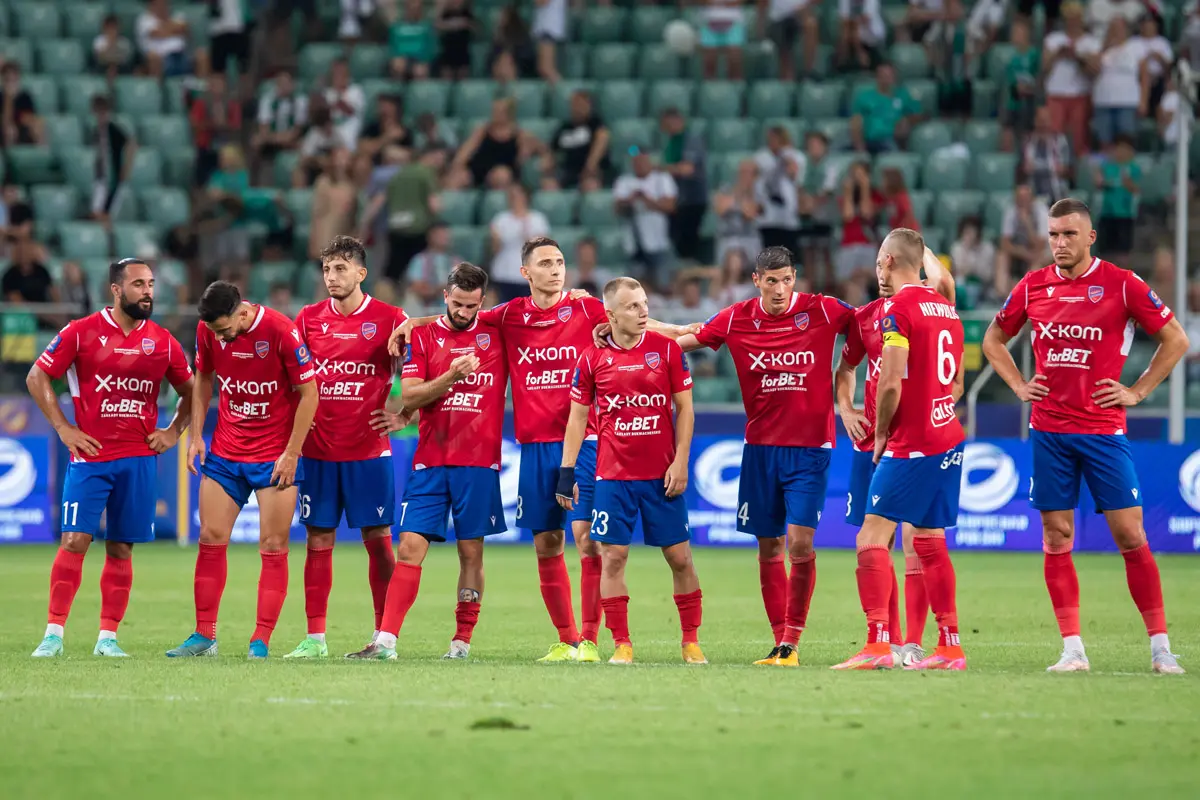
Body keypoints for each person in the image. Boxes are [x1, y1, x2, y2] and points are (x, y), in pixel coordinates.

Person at [387, 237, 693, 662]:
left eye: (560, 261)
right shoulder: (509, 316)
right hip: (534, 448)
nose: (556, 269)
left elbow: (638, 325)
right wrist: (412, 324)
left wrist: (683, 332)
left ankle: (589, 640)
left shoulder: (587, 309)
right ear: (526, 272)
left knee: (587, 540)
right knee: (547, 544)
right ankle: (567, 640)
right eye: (546, 263)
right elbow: (459, 316)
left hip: (585, 443)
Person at [982, 197, 1189, 675]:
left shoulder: (1121, 284)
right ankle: (1072, 650)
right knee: (1056, 536)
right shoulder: (1033, 286)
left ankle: (1160, 648)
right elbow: (994, 339)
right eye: (1053, 234)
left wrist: (1137, 392)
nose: (1059, 243)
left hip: (1102, 430)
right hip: (1049, 432)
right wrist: (1017, 384)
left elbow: (1176, 338)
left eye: (1068, 234)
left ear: (1090, 237)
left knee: (1130, 533)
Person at [669, 246, 855, 666]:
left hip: (810, 448)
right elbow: (684, 342)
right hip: (760, 450)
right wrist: (629, 337)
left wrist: (846, 387)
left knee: (800, 541)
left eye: (787, 279)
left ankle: (792, 639)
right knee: (769, 546)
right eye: (771, 280)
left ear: (796, 278)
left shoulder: (823, 310)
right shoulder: (736, 318)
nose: (780, 288)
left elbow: (868, 328)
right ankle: (779, 644)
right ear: (757, 281)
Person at [28, 259, 194, 658]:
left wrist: (174, 431)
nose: (148, 291)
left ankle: (108, 638)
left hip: (138, 460)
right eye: (138, 284)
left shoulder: (163, 341)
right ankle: (53, 634)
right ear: (116, 290)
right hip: (91, 457)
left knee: (121, 548)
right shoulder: (81, 332)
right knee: (74, 540)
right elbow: (38, 377)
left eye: (151, 284)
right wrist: (64, 428)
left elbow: (194, 390)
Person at [347, 262, 509, 661]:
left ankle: (461, 641)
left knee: (471, 553)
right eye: (457, 304)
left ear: (482, 302)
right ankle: (386, 641)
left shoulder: (498, 332)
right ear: (445, 297)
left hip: (478, 463)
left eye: (472, 306)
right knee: (409, 546)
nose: (464, 313)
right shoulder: (424, 336)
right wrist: (452, 375)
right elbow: (413, 396)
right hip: (431, 461)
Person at [834, 227, 967, 671]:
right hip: (947, 434)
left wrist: (882, 434)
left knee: (871, 535)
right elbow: (953, 377)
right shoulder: (946, 308)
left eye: (879, 261)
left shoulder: (897, 310)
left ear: (888, 261)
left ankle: (877, 646)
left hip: (910, 443)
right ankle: (949, 647)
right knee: (928, 538)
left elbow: (890, 381)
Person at [166, 281, 319, 659]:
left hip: (274, 455)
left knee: (272, 545)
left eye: (225, 328)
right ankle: (205, 636)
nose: (221, 337)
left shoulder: (282, 331)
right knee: (211, 537)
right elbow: (203, 378)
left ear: (242, 312)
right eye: (215, 332)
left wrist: (292, 453)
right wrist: (196, 436)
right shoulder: (207, 331)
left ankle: (260, 640)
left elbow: (309, 393)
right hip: (227, 450)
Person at [557, 277, 704, 665]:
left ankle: (690, 641)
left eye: (643, 304)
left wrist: (681, 460)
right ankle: (621, 643)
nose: (643, 312)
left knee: (680, 558)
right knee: (613, 557)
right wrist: (566, 472)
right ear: (610, 316)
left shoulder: (667, 350)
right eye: (632, 307)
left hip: (661, 476)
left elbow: (685, 409)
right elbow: (577, 420)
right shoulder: (591, 358)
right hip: (613, 477)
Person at [283, 236, 412, 659]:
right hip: (318, 451)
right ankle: (315, 639)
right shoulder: (306, 319)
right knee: (318, 540)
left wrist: (406, 414)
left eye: (341, 269)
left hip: (368, 451)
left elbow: (426, 362)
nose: (332, 277)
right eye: (326, 270)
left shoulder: (391, 318)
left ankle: (383, 638)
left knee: (378, 540)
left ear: (361, 273)